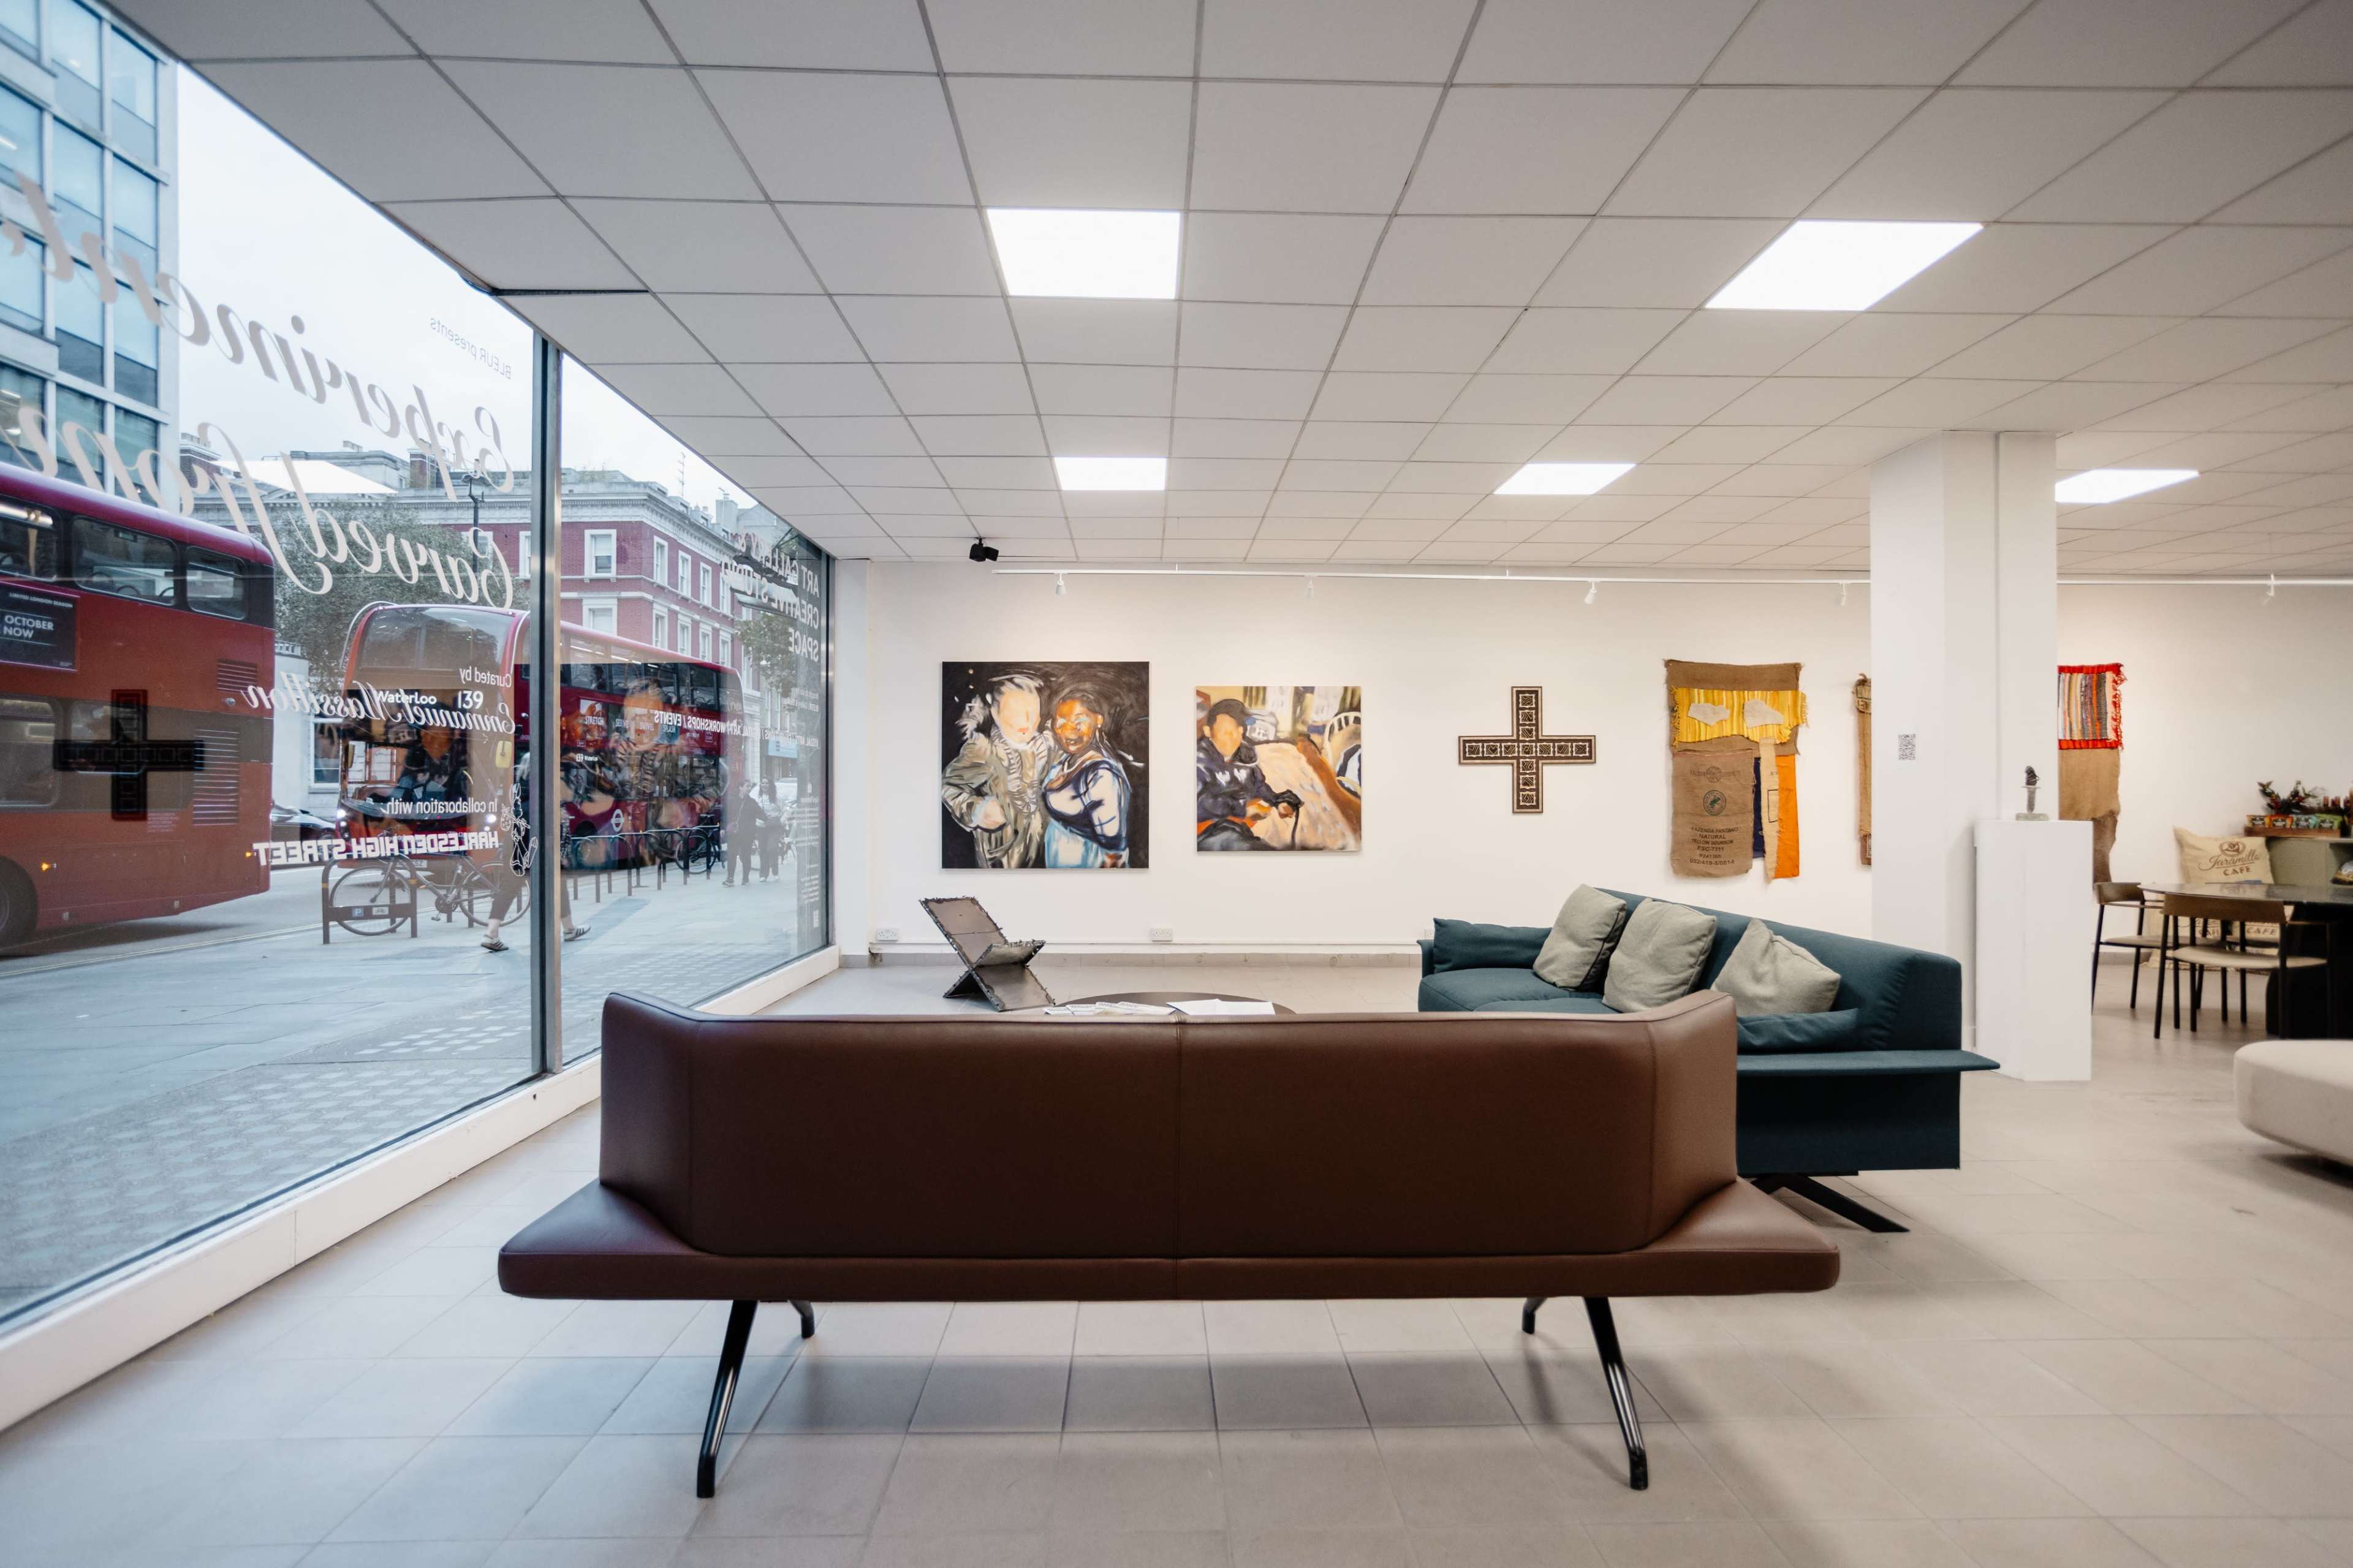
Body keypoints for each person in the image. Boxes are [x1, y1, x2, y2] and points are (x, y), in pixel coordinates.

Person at [941, 672, 1050, 868]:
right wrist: (976, 810)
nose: (1026, 721)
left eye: (1032, 712)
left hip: (1042, 852)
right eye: (1015, 712)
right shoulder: (984, 749)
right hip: (1002, 857)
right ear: (995, 712)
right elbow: (948, 786)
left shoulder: (1044, 746)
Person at [482, 753, 586, 952]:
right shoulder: (549, 790)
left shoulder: (516, 789)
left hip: (516, 844)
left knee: (508, 889)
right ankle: (570, 929)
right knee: (559, 886)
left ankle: (491, 934)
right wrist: (562, 851)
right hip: (539, 846)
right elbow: (560, 822)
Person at [1040, 684, 1133, 868]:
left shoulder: (1102, 775)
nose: (1068, 730)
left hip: (1087, 864)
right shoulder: (1066, 761)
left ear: (1098, 720)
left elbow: (1113, 850)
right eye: (1061, 721)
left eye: (1078, 721)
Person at [1196, 697, 1298, 852]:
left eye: (1239, 729)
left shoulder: (1245, 754)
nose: (1236, 737)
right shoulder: (1198, 760)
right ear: (1208, 731)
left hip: (1241, 826)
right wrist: (1244, 809)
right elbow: (1198, 805)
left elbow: (1258, 784)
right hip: (1209, 831)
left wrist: (1277, 801)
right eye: (1227, 732)